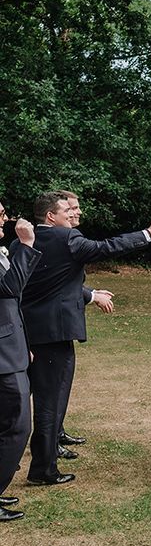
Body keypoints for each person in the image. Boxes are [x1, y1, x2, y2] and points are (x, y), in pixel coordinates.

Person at [14, 191, 151, 486]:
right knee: (51, 402)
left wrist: (90, 295)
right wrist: (147, 234)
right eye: (67, 212)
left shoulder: (22, 242)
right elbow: (107, 247)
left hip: (26, 331)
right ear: (51, 216)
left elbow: (47, 282)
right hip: (56, 333)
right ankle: (42, 470)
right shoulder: (67, 239)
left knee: (26, 397)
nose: (72, 216)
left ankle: (34, 457)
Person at [55, 190, 115, 459]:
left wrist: (90, 292)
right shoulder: (58, 240)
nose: (77, 212)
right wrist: (92, 296)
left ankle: (56, 431)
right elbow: (54, 287)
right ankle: (48, 440)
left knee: (61, 382)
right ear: (57, 212)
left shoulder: (62, 238)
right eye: (73, 208)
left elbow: (67, 283)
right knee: (52, 385)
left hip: (60, 324)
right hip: (49, 326)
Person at [0, 205, 42, 521]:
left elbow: (12, 303)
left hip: (11, 350)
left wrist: (23, 344)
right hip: (2, 359)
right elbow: (9, 288)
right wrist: (26, 245)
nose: (5, 218)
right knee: (17, 426)